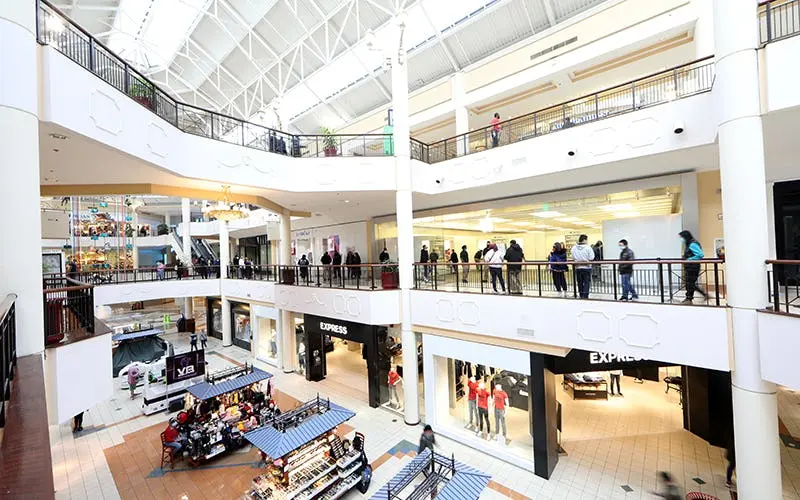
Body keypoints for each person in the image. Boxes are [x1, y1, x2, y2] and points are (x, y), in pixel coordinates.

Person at [679, 230, 707, 304]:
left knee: (690, 283)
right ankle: (691, 298)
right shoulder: (689, 244)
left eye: (682, 237)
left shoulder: (692, 244)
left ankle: (689, 299)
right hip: (690, 267)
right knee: (690, 283)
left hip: (693, 267)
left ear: (685, 237)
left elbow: (700, 254)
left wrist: (689, 259)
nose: (681, 239)